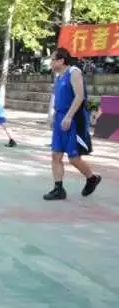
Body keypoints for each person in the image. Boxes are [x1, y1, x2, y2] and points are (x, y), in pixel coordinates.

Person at [43, 47, 101, 201]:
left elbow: (79, 96)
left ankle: (92, 178)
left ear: (61, 60)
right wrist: (54, 116)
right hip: (60, 117)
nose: (51, 62)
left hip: (74, 119)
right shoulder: (58, 76)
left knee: (74, 158)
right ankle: (58, 189)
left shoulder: (74, 72)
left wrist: (68, 117)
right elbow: (58, 98)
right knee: (56, 154)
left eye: (53, 59)